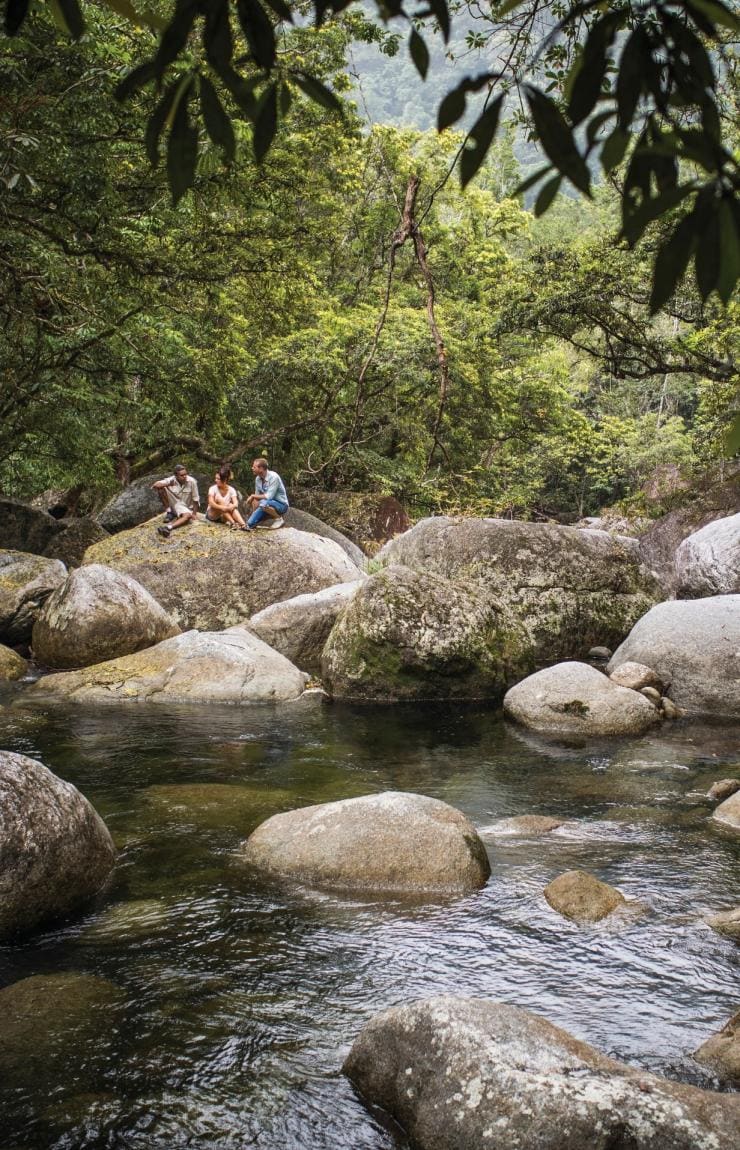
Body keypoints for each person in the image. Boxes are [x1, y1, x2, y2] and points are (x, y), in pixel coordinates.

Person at [152, 464, 200, 538]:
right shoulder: (172, 479)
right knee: (161, 488)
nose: (185, 476)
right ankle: (169, 512)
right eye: (182, 475)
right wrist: (168, 484)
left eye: (185, 474)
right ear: (176, 476)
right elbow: (155, 485)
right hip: (175, 503)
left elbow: (196, 499)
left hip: (185, 506)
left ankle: (168, 527)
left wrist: (194, 513)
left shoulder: (192, 481)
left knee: (187, 516)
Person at [244, 457, 289, 530]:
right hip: (267, 504)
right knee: (249, 524)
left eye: (254, 467)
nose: (252, 468)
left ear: (261, 469)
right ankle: (252, 522)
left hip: (281, 505)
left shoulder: (274, 477)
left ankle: (279, 519)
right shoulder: (258, 479)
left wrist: (252, 496)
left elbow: (268, 496)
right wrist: (254, 515)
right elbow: (257, 498)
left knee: (263, 503)